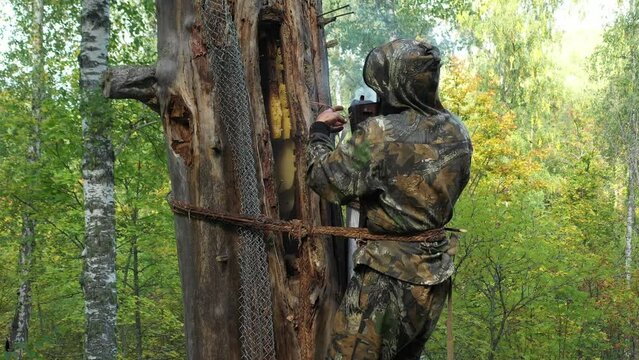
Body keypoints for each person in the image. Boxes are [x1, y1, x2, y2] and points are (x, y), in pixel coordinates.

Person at [306, 39, 473, 359]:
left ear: (397, 86)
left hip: (387, 282)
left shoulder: (381, 134)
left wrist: (320, 133)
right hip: (433, 279)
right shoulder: (457, 131)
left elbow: (324, 179)